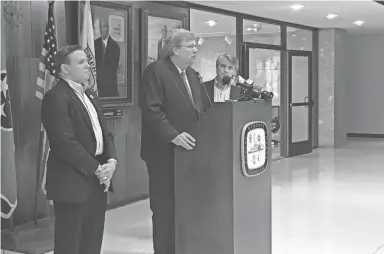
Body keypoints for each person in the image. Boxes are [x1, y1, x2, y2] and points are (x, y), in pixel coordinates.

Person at [41, 45, 117, 254]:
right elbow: (65, 143)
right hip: (72, 181)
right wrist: (97, 169)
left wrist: (111, 162)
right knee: (70, 244)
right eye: (81, 62)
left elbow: (105, 134)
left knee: (92, 241)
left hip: (97, 178)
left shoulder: (90, 95)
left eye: (88, 62)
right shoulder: (55, 97)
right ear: (65, 69)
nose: (88, 66)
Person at [139, 28, 203, 254]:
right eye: (190, 46)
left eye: (196, 45)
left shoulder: (193, 75)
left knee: (186, 208)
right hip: (163, 154)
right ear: (175, 49)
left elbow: (203, 110)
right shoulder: (155, 71)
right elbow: (151, 110)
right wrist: (173, 135)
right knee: (165, 210)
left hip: (190, 154)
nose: (195, 49)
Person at [94, 18, 120, 97]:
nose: (102, 29)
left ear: (108, 28)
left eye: (104, 26)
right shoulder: (94, 44)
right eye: (100, 27)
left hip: (110, 89)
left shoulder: (115, 46)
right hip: (96, 88)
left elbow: (111, 70)